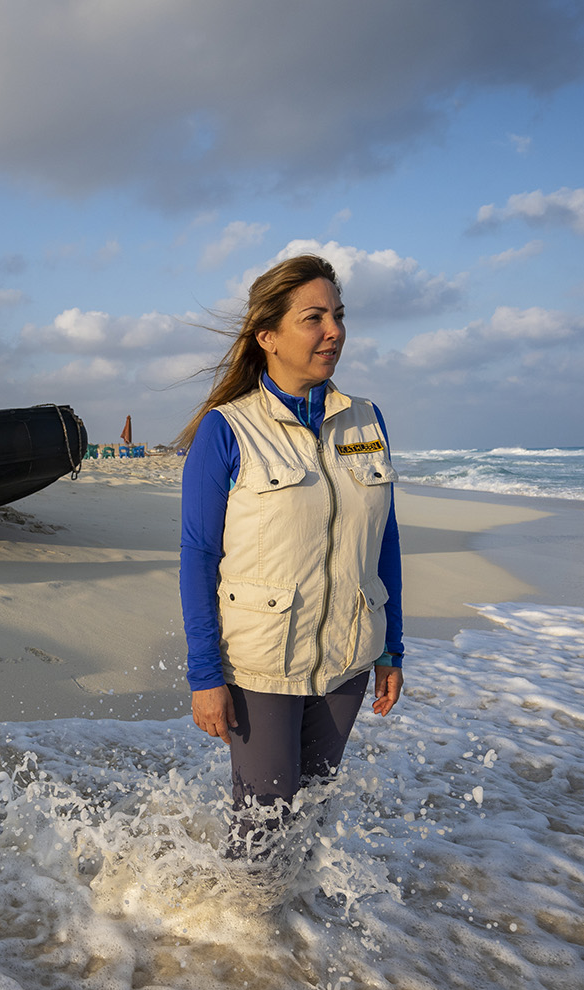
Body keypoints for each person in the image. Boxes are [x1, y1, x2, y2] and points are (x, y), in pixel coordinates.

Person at [177, 253, 403, 868]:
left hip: (349, 657)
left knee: (310, 813)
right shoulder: (227, 430)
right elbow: (199, 557)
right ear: (268, 336)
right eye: (313, 318)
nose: (334, 331)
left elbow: (383, 539)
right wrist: (205, 676)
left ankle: (290, 922)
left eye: (338, 315)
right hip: (262, 662)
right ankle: (235, 923)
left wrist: (391, 648)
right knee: (263, 821)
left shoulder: (366, 421)